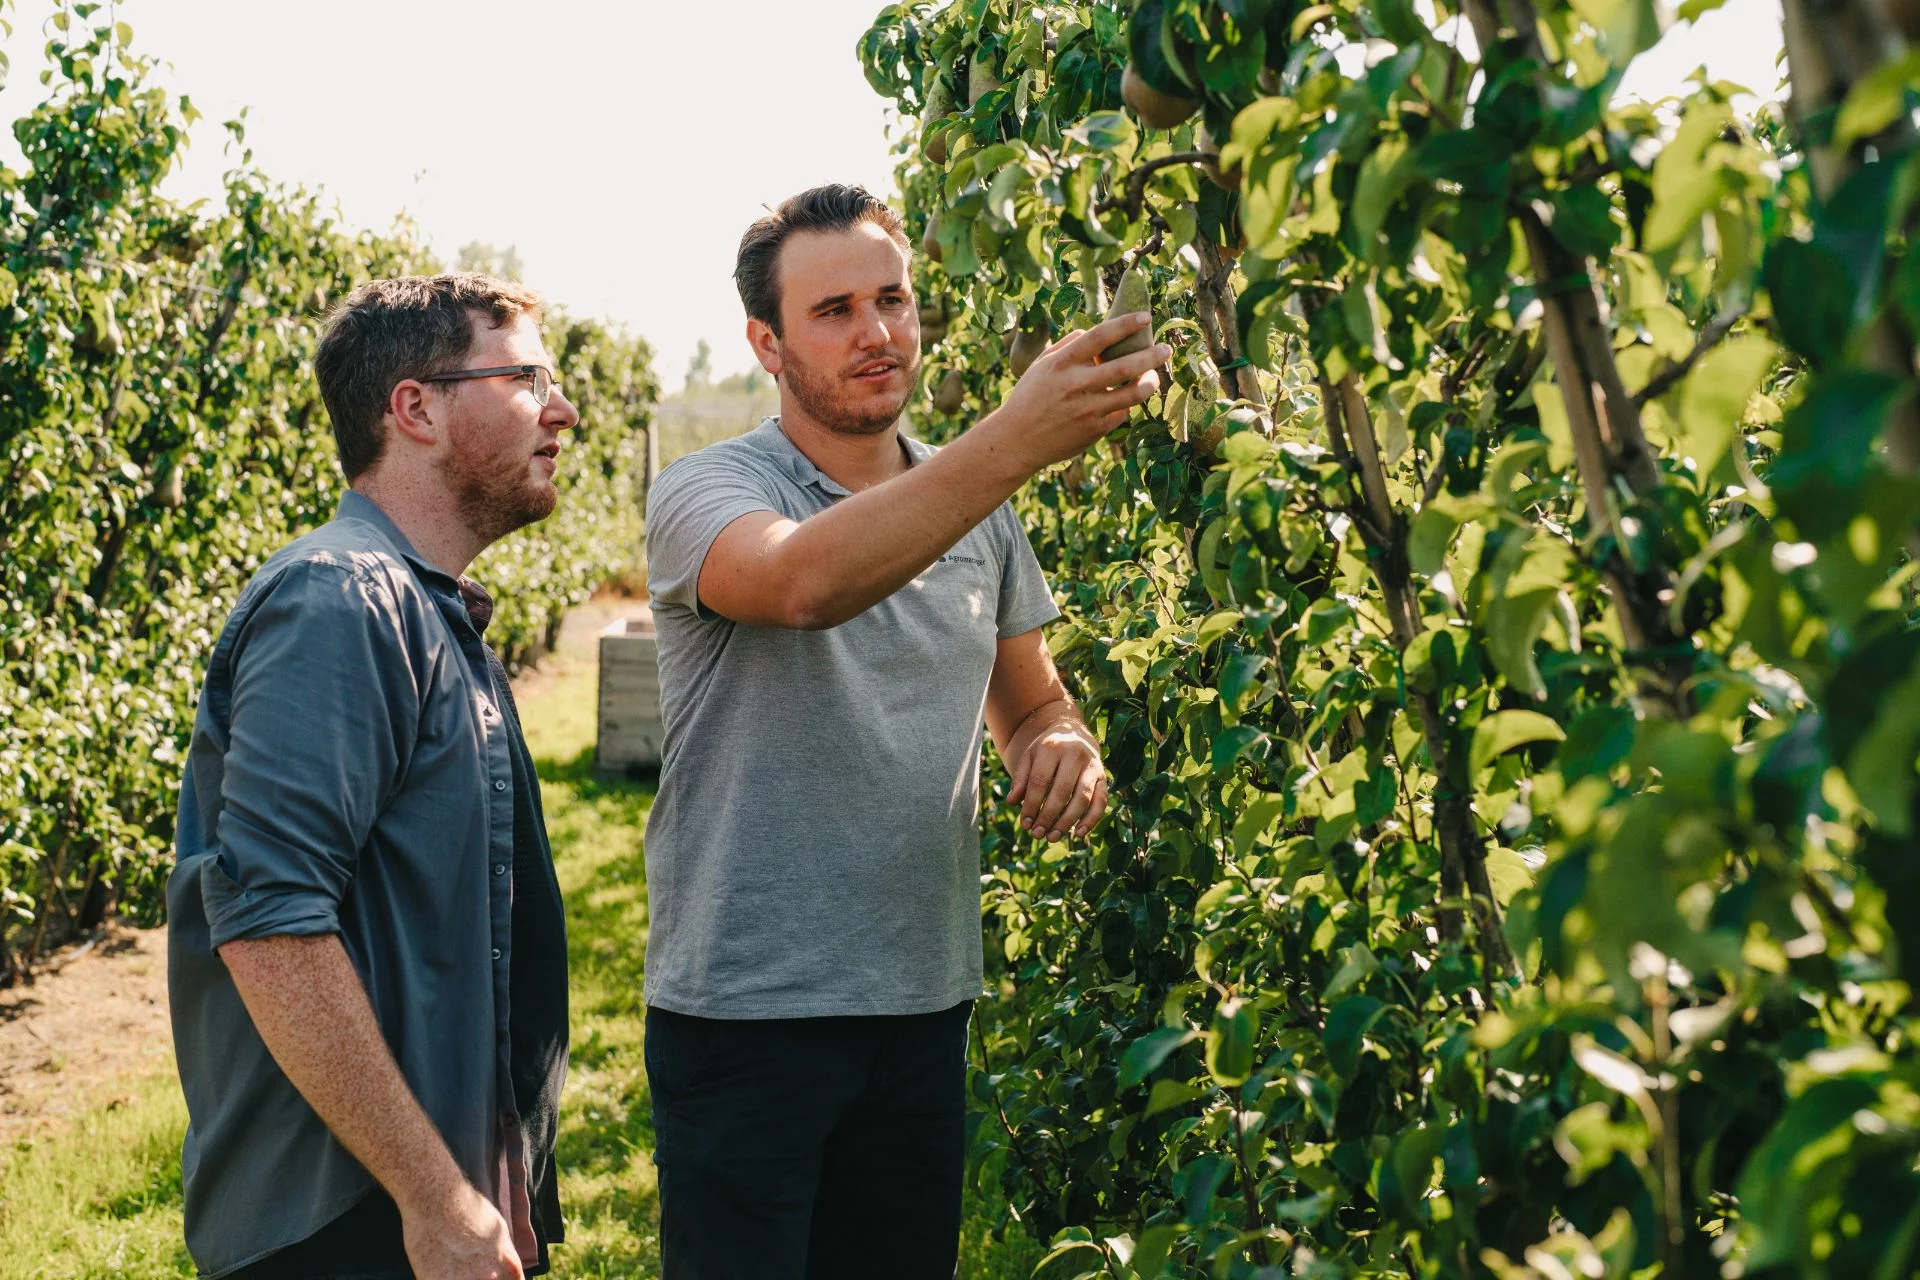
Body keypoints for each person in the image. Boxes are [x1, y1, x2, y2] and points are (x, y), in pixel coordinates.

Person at [641, 184, 1169, 1278]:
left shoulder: (979, 504)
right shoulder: (708, 489)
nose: (877, 332)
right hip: (749, 1014)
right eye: (833, 309)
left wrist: (1063, 745)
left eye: (894, 299)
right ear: (767, 343)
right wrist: (1014, 440)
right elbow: (800, 581)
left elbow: (1033, 701)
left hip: (923, 1001)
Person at [167, 274, 580, 1280]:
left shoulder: (429, 608)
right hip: (346, 1221)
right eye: (526, 376)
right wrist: (433, 1196)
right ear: (416, 408)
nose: (563, 407)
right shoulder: (343, 602)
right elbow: (270, 922)